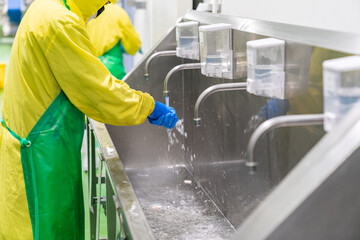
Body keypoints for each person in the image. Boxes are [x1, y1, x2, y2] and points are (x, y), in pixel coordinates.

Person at [0, 0, 178, 239]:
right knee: (46, 230)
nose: (101, 11)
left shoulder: (45, 7)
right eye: (103, 4)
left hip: (34, 142)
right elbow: (98, 92)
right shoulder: (60, 21)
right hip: (40, 154)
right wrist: (148, 106)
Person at [87, 2, 141, 80]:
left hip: (90, 69)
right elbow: (133, 47)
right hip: (113, 71)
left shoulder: (87, 14)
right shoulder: (117, 12)